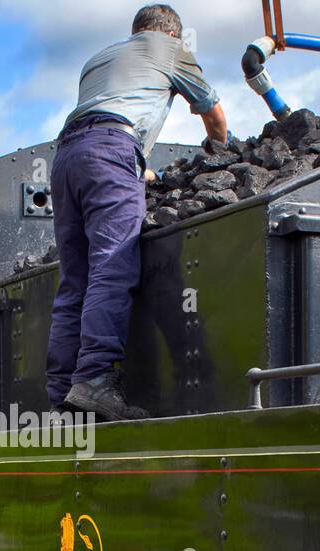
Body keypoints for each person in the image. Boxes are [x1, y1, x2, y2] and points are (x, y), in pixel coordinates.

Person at [48, 4, 227, 421]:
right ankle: (93, 379)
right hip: (111, 150)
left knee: (74, 279)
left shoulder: (98, 60)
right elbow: (213, 115)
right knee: (112, 264)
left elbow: (103, 120)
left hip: (66, 156)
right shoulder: (171, 50)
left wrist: (136, 167)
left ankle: (61, 392)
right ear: (174, 36)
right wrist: (223, 152)